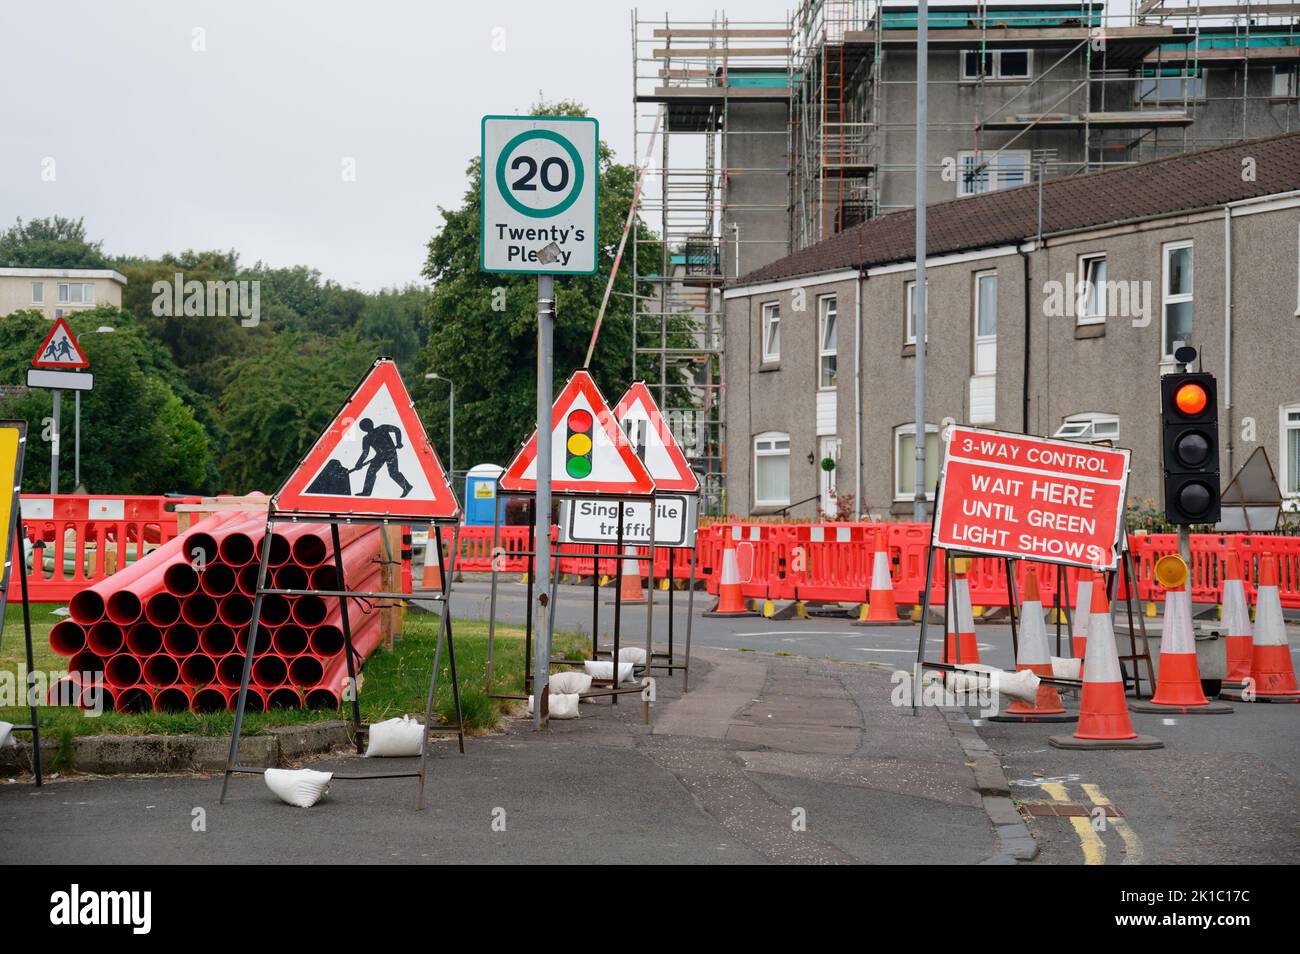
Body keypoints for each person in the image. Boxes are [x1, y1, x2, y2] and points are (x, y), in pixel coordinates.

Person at [348, 418, 413, 497]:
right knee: (371, 471)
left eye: (368, 425)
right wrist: (359, 462)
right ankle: (366, 492)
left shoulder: (382, 428)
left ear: (371, 424)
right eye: (365, 426)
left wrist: (398, 442)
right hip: (379, 455)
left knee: (393, 473)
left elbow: (397, 430)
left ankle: (407, 487)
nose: (367, 427)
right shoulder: (366, 438)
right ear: (363, 429)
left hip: (390, 452)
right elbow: (365, 452)